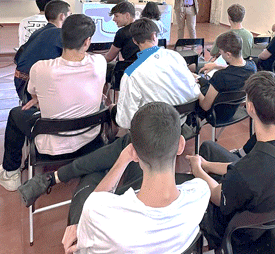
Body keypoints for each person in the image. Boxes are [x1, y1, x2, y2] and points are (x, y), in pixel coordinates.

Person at [18, 18, 200, 207]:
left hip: (152, 133)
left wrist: (114, 109)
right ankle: (56, 179)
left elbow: (125, 121)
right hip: (180, 123)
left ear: (135, 41)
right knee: (111, 152)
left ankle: (55, 179)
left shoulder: (132, 73)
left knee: (115, 147)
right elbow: (193, 92)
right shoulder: (176, 57)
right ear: (155, 36)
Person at [61, 102, 210, 254]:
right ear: (181, 145)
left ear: (134, 153)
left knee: (89, 180)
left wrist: (122, 160)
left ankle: (58, 176)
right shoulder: (201, 193)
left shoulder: (97, 212)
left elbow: (96, 201)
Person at [186, 71, 275, 247]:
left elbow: (217, 196)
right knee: (209, 149)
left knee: (199, 174)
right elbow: (244, 167)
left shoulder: (247, 171)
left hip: (240, 232)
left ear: (250, 108)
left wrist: (198, 169)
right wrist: (207, 165)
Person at [0, 14, 106, 191]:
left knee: (16, 114)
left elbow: (32, 94)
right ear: (87, 42)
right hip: (90, 140)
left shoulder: (41, 68)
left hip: (51, 148)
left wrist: (42, 98)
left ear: (61, 38)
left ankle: (10, 173)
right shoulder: (100, 62)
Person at [13, 0, 70, 102]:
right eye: (69, 15)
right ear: (62, 16)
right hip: (30, 86)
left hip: (20, 81)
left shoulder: (39, 31)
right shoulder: (59, 33)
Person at [197, 31, 256, 117]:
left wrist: (195, 88)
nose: (220, 54)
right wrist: (216, 65)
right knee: (198, 77)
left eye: (221, 52)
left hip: (216, 114)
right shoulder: (252, 66)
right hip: (234, 108)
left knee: (194, 86)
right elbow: (236, 69)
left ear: (228, 54)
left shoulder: (220, 76)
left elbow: (205, 106)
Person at [203, 4, 253, 73]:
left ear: (229, 17)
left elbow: (213, 53)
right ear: (242, 17)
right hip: (245, 67)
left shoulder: (222, 37)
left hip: (228, 67)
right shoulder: (250, 35)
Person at [105, 1, 139, 85]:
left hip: (127, 70)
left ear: (127, 15)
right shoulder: (143, 28)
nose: (114, 19)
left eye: (116, 16)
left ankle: (107, 94)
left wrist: (94, 61)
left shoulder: (122, 33)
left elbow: (109, 57)